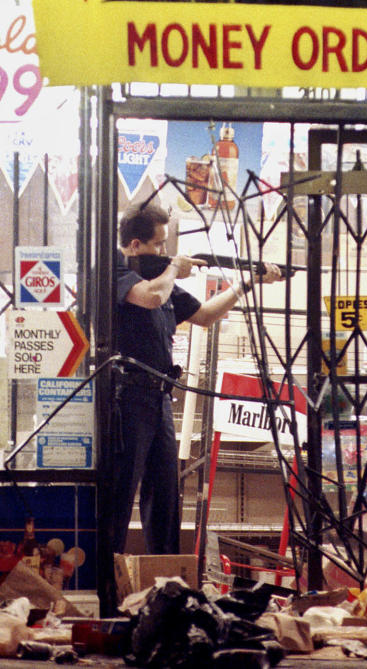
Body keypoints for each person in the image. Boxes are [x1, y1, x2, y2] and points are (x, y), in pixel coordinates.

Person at [112, 201, 282, 555]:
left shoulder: (160, 278)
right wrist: (174, 267)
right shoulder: (117, 270)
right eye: (158, 244)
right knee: (119, 493)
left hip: (159, 398)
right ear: (133, 246)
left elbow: (204, 315)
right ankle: (105, 580)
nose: (164, 251)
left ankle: (169, 576)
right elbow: (152, 297)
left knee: (165, 496)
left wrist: (246, 283)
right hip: (126, 399)